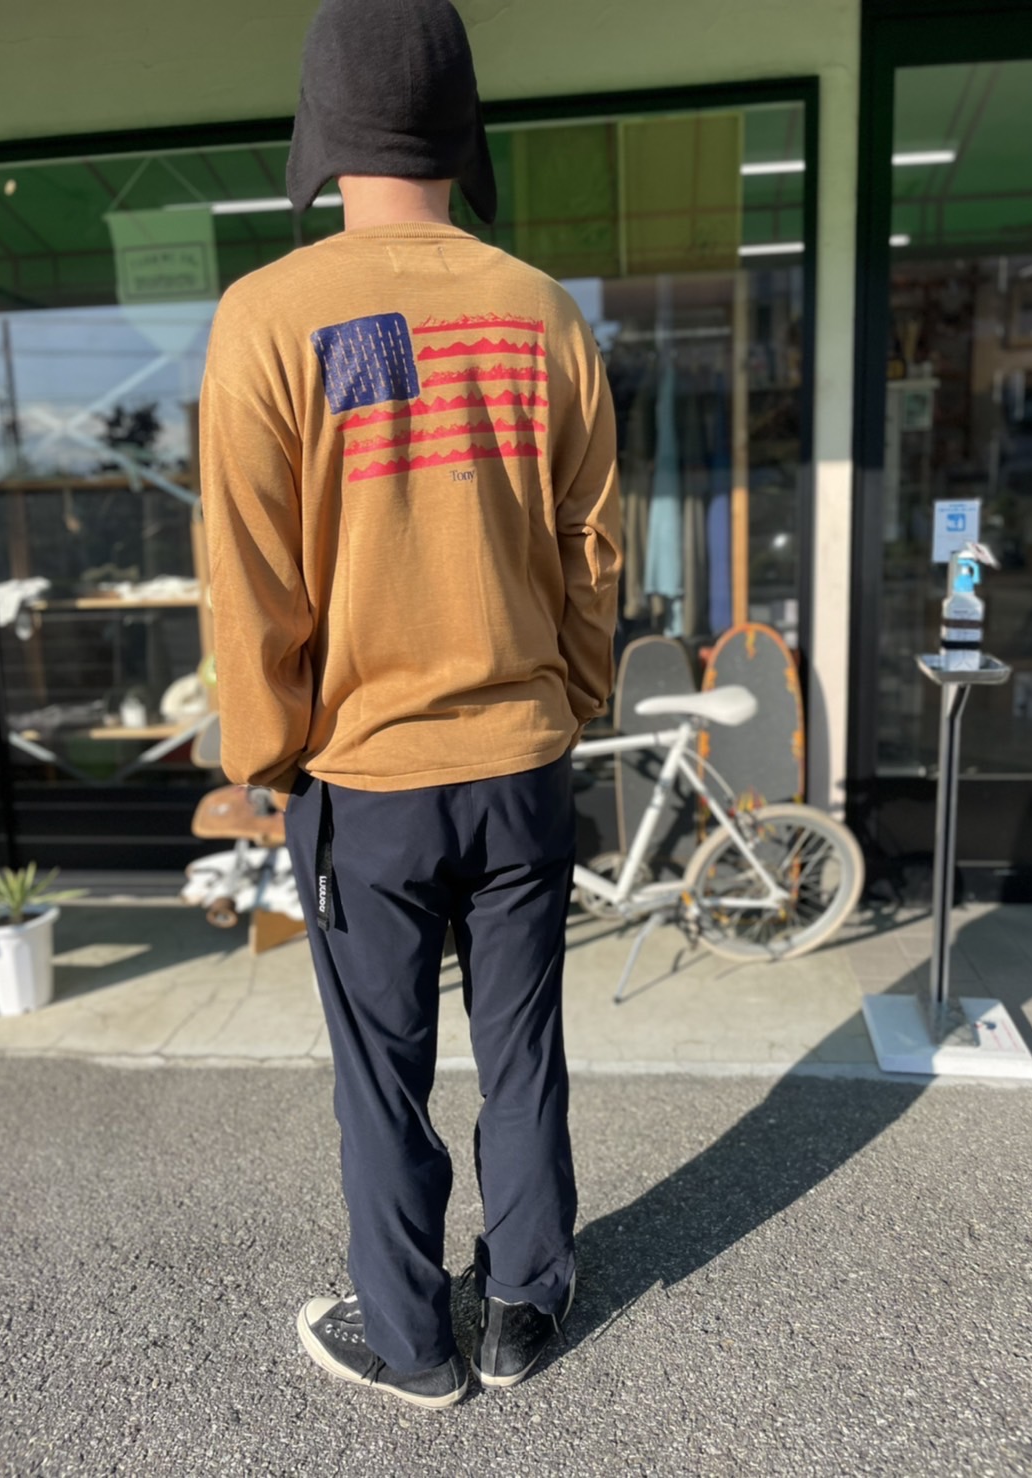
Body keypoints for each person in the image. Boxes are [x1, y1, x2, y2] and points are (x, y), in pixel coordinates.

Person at [200, 0, 621, 1410]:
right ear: (463, 131)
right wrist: (570, 695)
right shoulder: (539, 310)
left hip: (363, 778)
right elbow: (593, 545)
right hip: (522, 761)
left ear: (319, 128)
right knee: (524, 1048)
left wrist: (267, 754)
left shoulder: (267, 317)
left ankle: (412, 1341)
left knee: (380, 1071)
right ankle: (523, 1304)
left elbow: (250, 576)